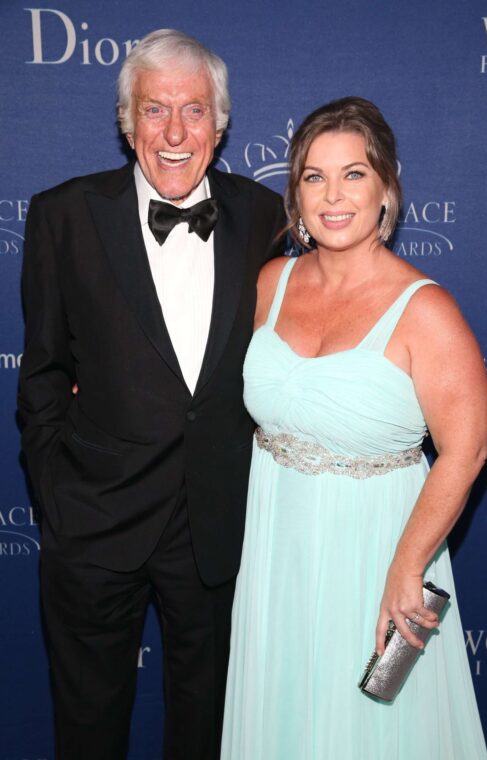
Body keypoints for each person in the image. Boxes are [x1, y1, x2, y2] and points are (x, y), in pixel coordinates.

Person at [18, 29, 284, 760]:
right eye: (155, 110)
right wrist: (58, 499)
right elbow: (40, 372)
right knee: (89, 731)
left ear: (220, 125)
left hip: (215, 529)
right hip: (96, 525)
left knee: (208, 731)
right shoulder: (63, 216)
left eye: (193, 110)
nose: (174, 132)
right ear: (127, 122)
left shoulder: (266, 217)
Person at [221, 96, 487, 759]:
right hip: (275, 545)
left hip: (378, 551)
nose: (332, 195)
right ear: (295, 194)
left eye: (354, 174)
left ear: (386, 191)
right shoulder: (271, 281)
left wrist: (408, 564)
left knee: (374, 728)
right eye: (314, 176)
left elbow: (468, 448)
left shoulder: (426, 309)